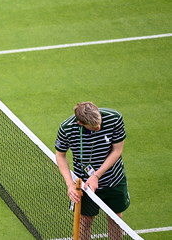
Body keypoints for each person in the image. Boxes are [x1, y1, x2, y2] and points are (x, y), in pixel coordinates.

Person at [55, 102, 130, 240]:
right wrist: (70, 185)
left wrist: (96, 175)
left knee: (115, 219)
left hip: (113, 178)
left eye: (100, 123)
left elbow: (117, 151)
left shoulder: (114, 118)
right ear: (80, 123)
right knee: (85, 220)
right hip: (84, 184)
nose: (99, 127)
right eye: (94, 127)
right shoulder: (67, 129)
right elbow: (60, 155)